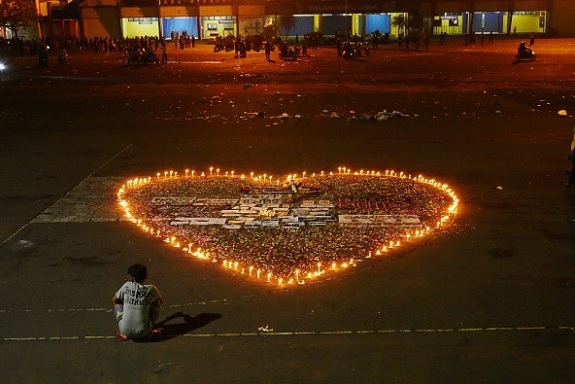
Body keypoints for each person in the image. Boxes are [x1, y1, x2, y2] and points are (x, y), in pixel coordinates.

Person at [113, 263, 163, 341]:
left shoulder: (126, 286)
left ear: (132, 277)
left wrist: (128, 302)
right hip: (143, 331)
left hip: (124, 330)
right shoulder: (151, 289)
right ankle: (148, 332)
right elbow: (160, 300)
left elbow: (115, 299)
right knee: (156, 303)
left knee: (118, 302)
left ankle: (126, 333)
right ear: (145, 276)